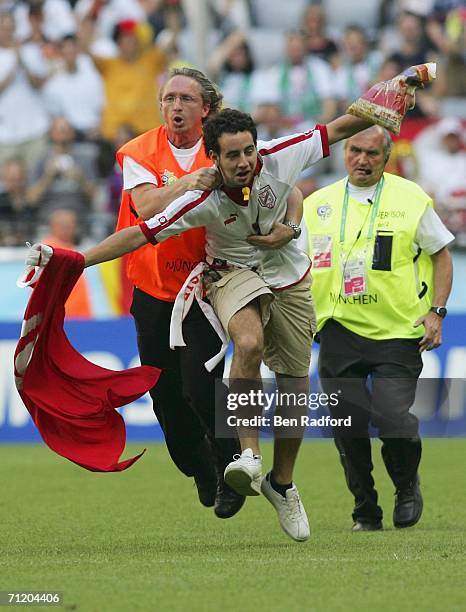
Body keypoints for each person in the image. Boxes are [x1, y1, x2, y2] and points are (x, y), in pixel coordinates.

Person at [32, 104, 382, 541]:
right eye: (232, 155)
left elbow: (340, 128)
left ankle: (282, 483)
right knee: (249, 344)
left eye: (248, 152)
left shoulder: (279, 156)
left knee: (294, 386)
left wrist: (392, 98)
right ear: (213, 160)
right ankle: (249, 457)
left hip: (289, 276)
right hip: (230, 273)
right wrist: (76, 259)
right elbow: (139, 233)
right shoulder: (200, 200)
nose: (244, 162)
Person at [303, 125, 454, 532]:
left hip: (398, 331)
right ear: (344, 153)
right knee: (347, 427)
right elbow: (296, 268)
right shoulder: (317, 203)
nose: (362, 160)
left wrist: (436, 311)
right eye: (354, 150)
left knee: (393, 417)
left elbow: (442, 255)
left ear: (385, 159)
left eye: (372, 153)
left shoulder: (410, 198)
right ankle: (364, 509)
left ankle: (407, 488)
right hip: (337, 329)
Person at [115, 67, 247, 520]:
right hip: (152, 290)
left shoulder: (225, 149)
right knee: (165, 397)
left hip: (203, 290)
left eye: (185, 99)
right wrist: (189, 182)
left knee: (201, 386)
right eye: (168, 98)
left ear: (206, 108)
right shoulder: (139, 151)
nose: (175, 106)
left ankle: (231, 466)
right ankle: (199, 468)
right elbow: (147, 205)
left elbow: (267, 184)